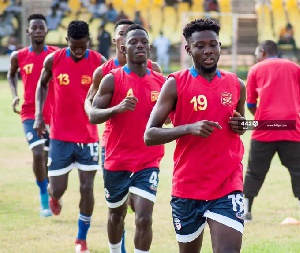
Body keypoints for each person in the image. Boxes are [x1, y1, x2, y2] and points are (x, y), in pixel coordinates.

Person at [144, 19, 246, 253]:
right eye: (200, 46)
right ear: (188, 49)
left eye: (213, 44)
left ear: (220, 46)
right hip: (188, 187)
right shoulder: (174, 84)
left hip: (227, 184)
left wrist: (241, 125)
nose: (208, 50)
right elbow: (149, 134)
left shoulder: (236, 84)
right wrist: (189, 128)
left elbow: (242, 123)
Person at [85, 19, 162, 253]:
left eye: (144, 42)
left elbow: (176, 114)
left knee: (144, 218)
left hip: (148, 161)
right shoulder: (111, 78)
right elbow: (94, 115)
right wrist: (116, 109)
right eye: (133, 42)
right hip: (116, 160)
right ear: (123, 48)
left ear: (149, 48)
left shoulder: (161, 82)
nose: (139, 45)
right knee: (116, 215)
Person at [34, 20, 107, 252]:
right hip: (60, 137)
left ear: (89, 42)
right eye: (74, 46)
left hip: (88, 138)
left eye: (82, 46)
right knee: (58, 189)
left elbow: (111, 92)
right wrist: (38, 114)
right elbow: (42, 84)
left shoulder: (99, 63)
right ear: (66, 41)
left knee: (87, 188)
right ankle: (52, 196)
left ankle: (81, 238)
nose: (78, 50)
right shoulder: (53, 60)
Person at [7, 14, 59, 217]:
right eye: (34, 28)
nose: (37, 31)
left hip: (54, 115)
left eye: (41, 27)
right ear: (28, 31)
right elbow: (11, 74)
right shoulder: (18, 56)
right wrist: (14, 95)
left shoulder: (56, 55)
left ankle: (51, 191)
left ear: (46, 31)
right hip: (30, 112)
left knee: (48, 158)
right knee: (37, 154)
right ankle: (44, 199)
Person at [243, 40, 300, 222]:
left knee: (254, 170)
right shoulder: (295, 68)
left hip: (264, 127)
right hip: (292, 126)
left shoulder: (255, 69)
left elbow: (251, 102)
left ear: (262, 52)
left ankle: (246, 211)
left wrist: (259, 115)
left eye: (256, 54)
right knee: (298, 170)